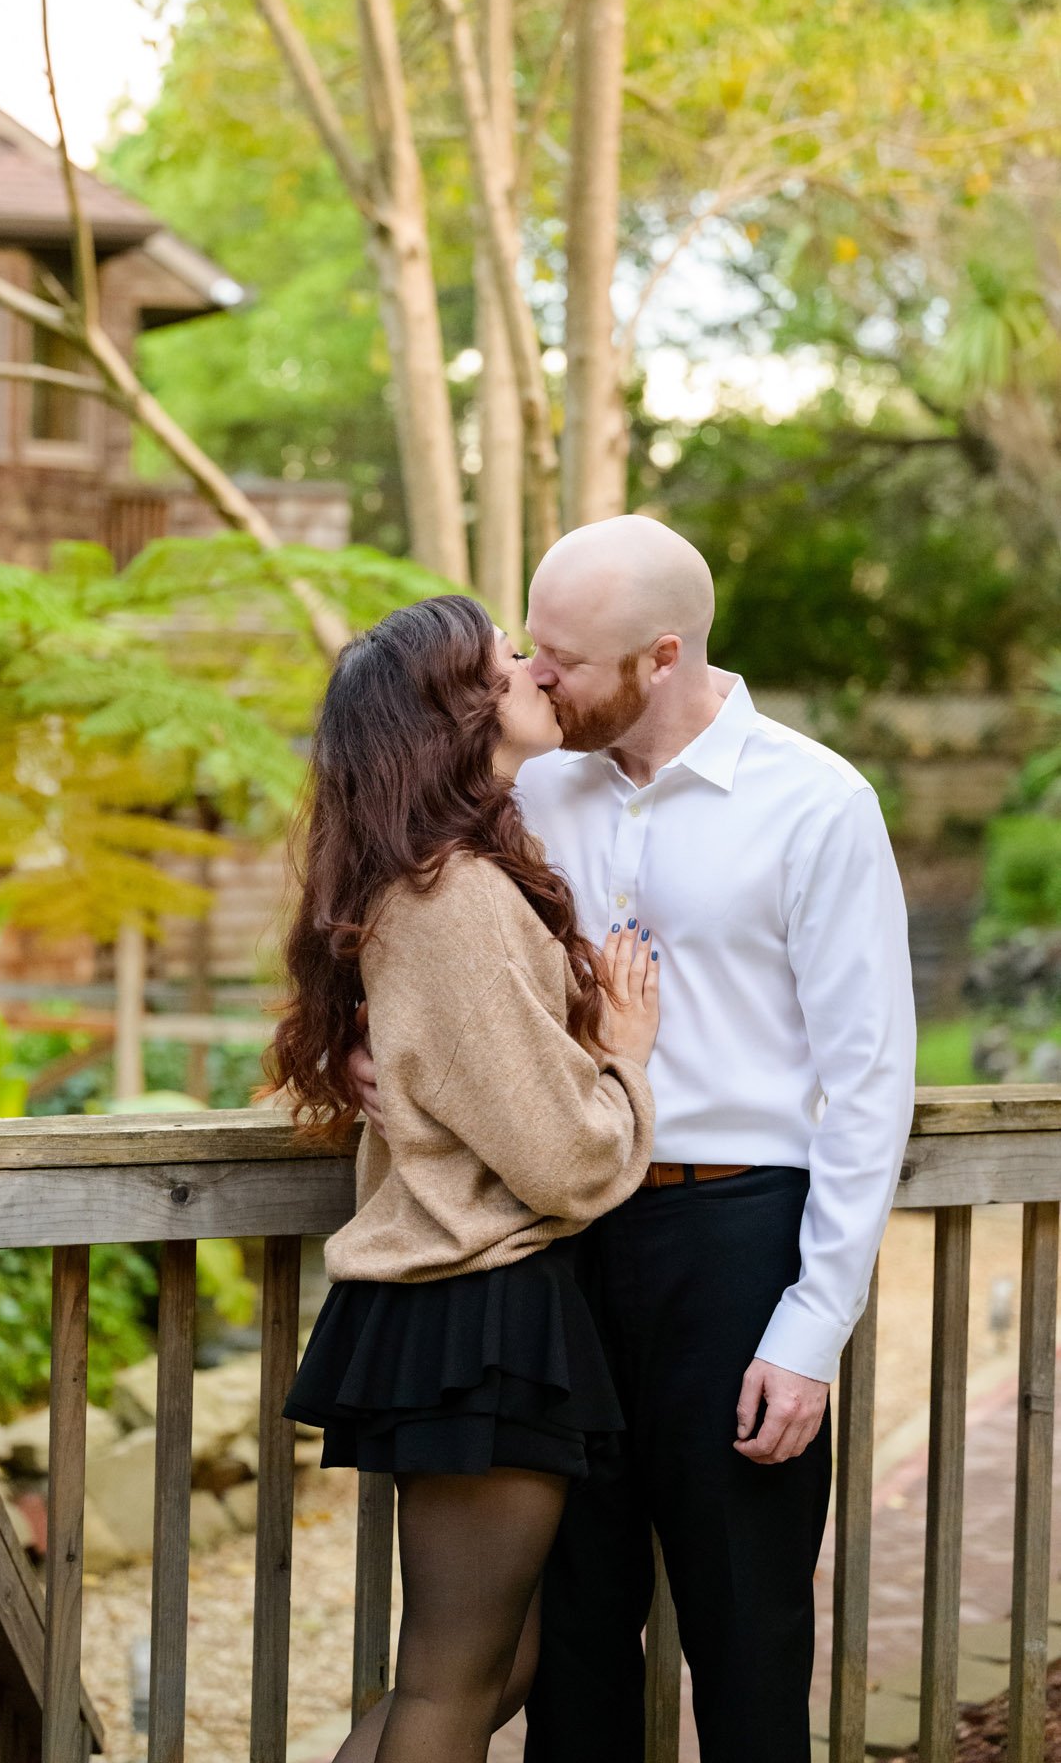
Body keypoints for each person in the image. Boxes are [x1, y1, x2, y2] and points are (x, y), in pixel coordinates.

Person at [350, 517, 918, 1763]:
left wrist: (811, 1328)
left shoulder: (817, 801)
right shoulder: (527, 779)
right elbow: (401, 894)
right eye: (529, 651)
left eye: (562, 658)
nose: (535, 678)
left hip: (733, 1244)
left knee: (745, 1629)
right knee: (574, 1635)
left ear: (661, 655)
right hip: (548, 1246)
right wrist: (365, 1037)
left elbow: (870, 1082)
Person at [261, 592, 656, 1763]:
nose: (536, 668)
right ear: (457, 710)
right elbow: (565, 1155)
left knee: (488, 1664)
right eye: (507, 659)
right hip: (478, 1304)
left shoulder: (435, 880)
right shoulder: (456, 897)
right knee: (451, 1676)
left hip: (458, 1308)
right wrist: (626, 1063)